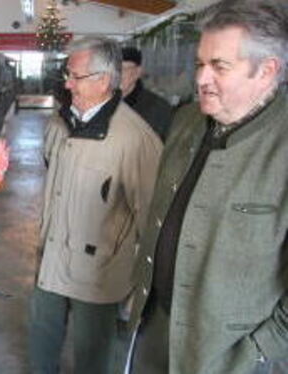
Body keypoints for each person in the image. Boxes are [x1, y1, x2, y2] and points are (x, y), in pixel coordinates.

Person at [128, 0, 288, 373]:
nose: (200, 78)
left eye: (219, 66)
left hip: (227, 353)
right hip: (155, 324)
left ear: (267, 71)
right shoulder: (185, 121)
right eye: (200, 63)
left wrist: (260, 349)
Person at [29, 36, 163, 374]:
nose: (67, 83)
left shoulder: (136, 139)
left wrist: (140, 291)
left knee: (94, 359)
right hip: (51, 260)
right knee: (41, 348)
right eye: (67, 75)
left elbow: (151, 218)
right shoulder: (59, 124)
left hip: (99, 274)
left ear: (104, 80)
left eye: (75, 76)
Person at [120, 46, 174, 142]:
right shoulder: (104, 103)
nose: (119, 74)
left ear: (138, 72)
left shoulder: (157, 107)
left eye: (124, 69)